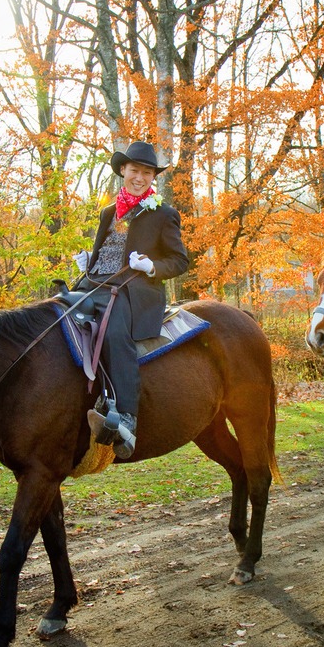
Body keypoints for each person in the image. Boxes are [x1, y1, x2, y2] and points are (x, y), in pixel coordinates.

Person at [74, 140, 190, 458]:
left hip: (133, 290)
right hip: (93, 283)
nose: (140, 177)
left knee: (112, 331)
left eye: (147, 172)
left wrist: (151, 266)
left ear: (153, 177)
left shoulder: (164, 214)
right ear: (123, 170)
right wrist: (90, 261)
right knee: (53, 316)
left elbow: (180, 262)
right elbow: (106, 250)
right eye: (135, 170)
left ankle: (127, 419)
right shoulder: (108, 212)